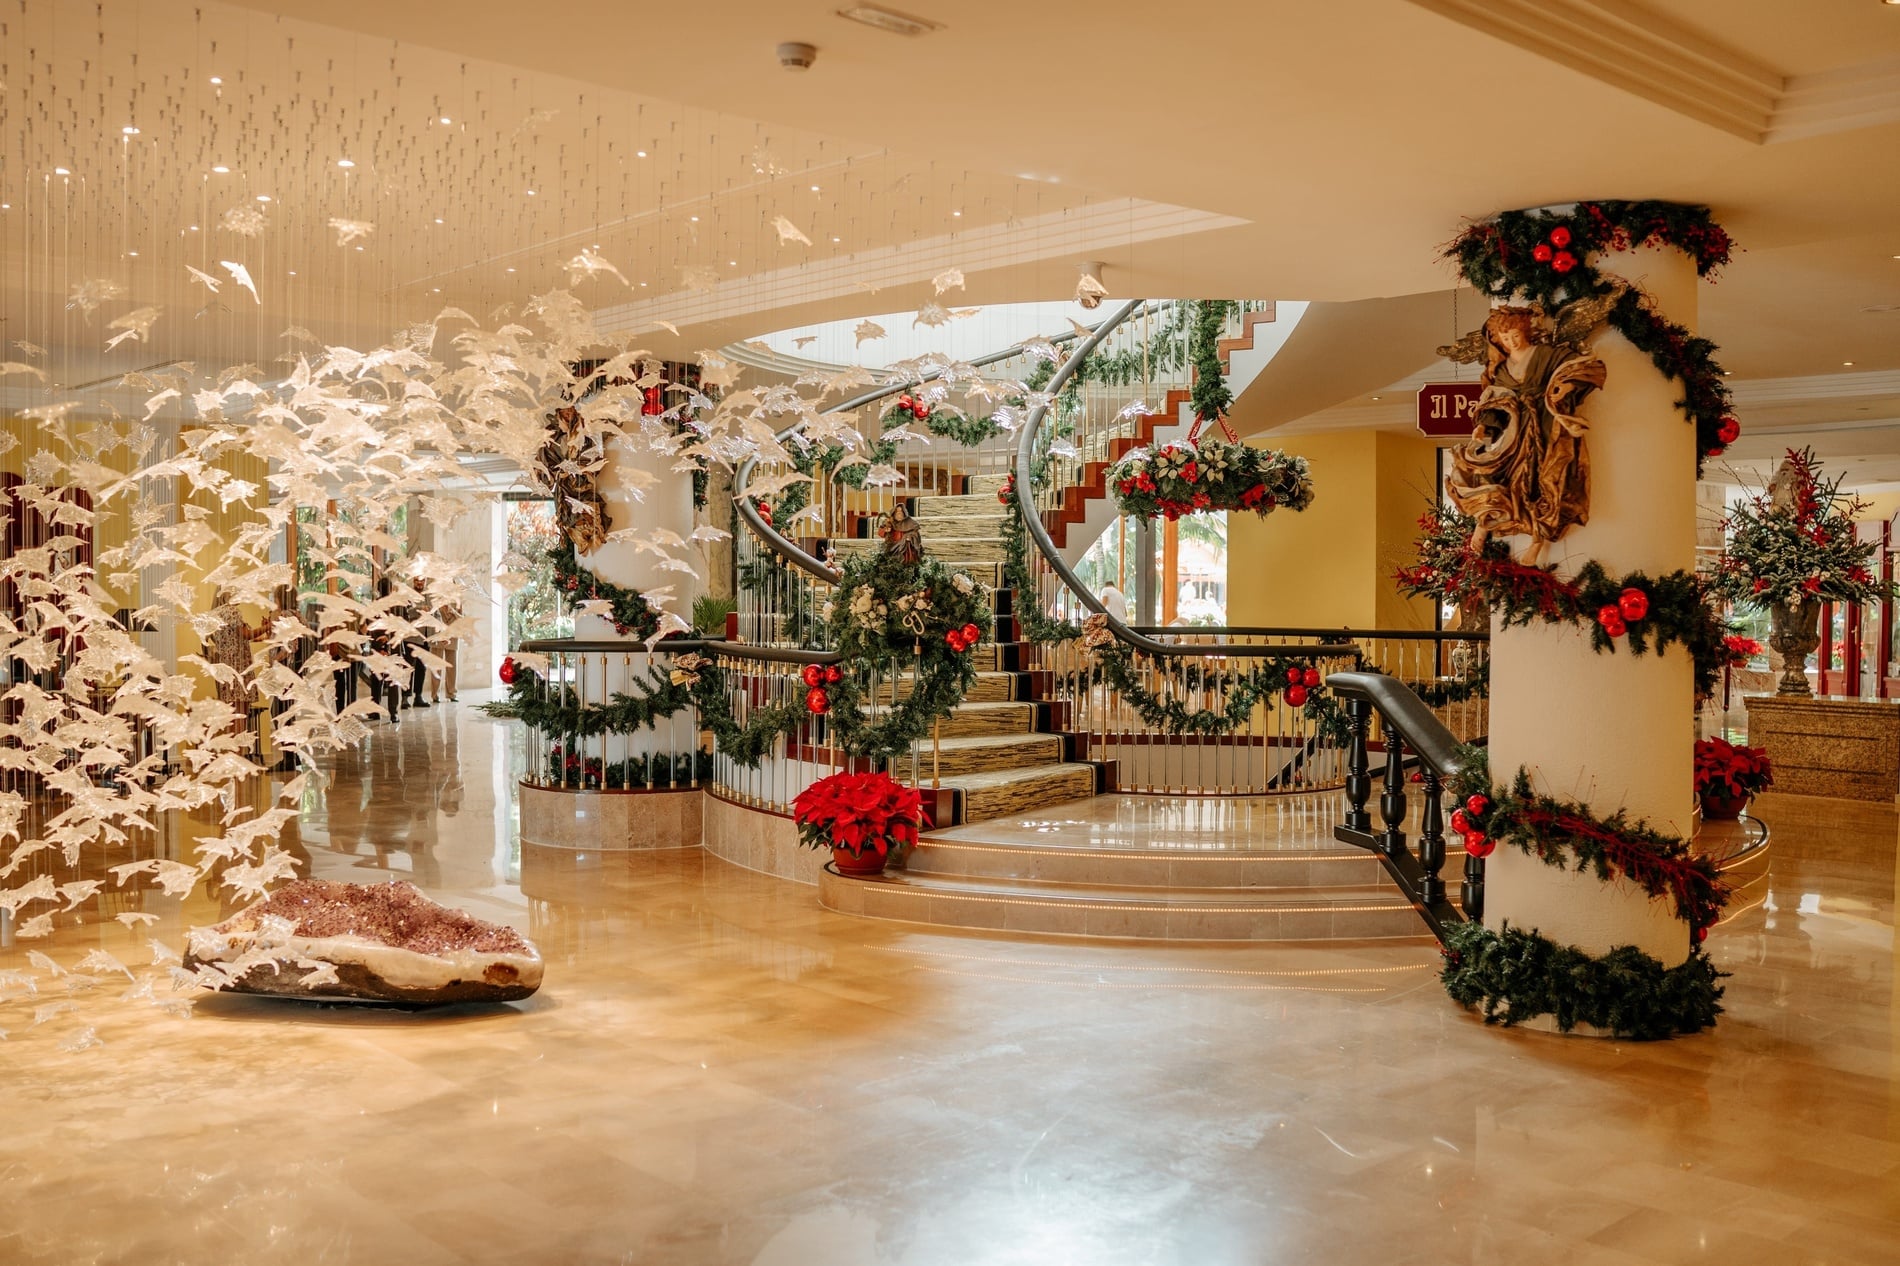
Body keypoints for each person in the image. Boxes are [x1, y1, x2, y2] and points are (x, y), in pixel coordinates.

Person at [1445, 306, 1605, 566]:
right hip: (1513, 431)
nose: (1511, 342)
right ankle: (1484, 521)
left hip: (1545, 424)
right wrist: (1484, 428)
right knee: (1491, 471)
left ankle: (1537, 541)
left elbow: (1581, 368)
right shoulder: (1501, 369)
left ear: (1525, 330)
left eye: (1515, 335)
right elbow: (1495, 403)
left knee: (1545, 481)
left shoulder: (1545, 355)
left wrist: (1565, 386)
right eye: (1505, 339)